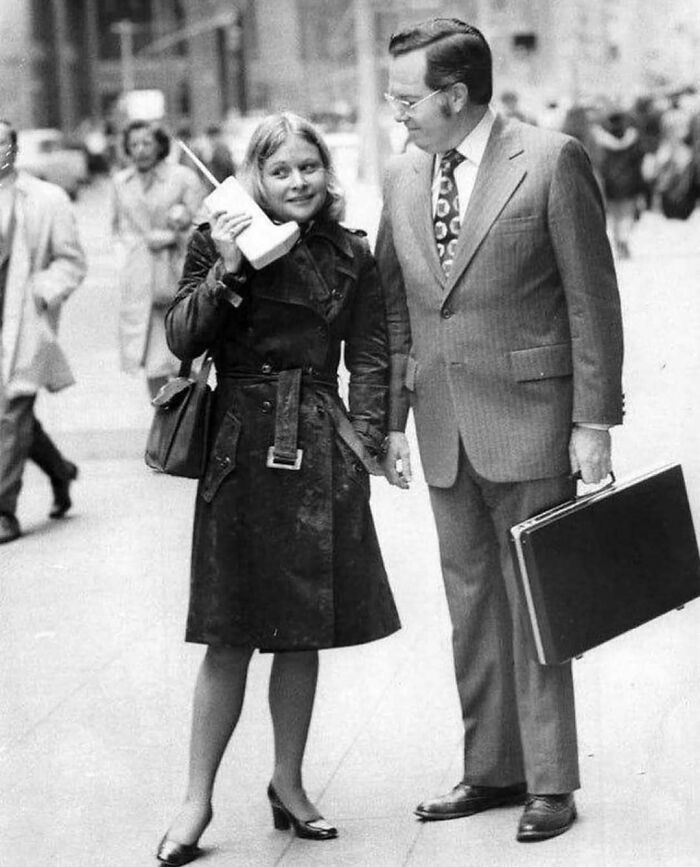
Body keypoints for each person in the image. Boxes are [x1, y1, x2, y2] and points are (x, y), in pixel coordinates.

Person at [377, 18, 623, 842]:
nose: (395, 110)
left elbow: (592, 302)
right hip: (446, 425)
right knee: (472, 606)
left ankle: (551, 781)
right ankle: (491, 769)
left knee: (535, 600)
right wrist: (394, 422)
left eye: (407, 96)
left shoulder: (551, 160)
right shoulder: (403, 174)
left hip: (533, 420)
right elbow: (399, 309)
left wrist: (593, 421)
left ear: (455, 94)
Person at [156, 112, 400, 866]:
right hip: (237, 448)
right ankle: (195, 800)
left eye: (309, 167)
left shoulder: (348, 251)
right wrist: (230, 265)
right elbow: (181, 337)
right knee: (227, 632)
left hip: (320, 446)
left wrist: (364, 443)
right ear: (254, 177)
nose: (298, 182)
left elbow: (371, 354)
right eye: (280, 170)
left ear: (327, 172)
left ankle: (288, 784)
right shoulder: (218, 238)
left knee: (302, 632)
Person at [0, 119, 86, 545]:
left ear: (14, 149)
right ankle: (60, 470)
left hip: (24, 323)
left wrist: (43, 290)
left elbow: (71, 261)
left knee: (12, 411)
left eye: (1, 144)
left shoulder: (45, 199)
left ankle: (3, 511)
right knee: (15, 421)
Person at [111, 121, 204, 400]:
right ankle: (162, 432)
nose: (140, 150)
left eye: (147, 143)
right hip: (141, 281)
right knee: (152, 364)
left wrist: (175, 233)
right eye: (134, 144)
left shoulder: (183, 177)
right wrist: (128, 257)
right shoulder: (121, 181)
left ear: (161, 145)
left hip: (179, 273)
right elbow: (117, 229)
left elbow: (204, 223)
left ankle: (189, 429)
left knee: (187, 363)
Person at [591, 110, 645, 258]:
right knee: (627, 213)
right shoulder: (633, 138)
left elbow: (598, 162)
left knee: (615, 215)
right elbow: (639, 159)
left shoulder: (601, 140)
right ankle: (624, 240)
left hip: (609, 181)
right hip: (629, 181)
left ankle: (618, 242)